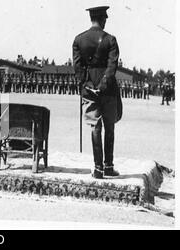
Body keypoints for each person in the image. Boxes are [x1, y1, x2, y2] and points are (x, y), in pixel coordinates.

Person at [73, 6, 122, 179]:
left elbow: (78, 68)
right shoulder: (111, 40)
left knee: (95, 127)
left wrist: (88, 85)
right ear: (103, 19)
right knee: (109, 127)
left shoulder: (79, 40)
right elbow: (112, 67)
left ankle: (98, 168)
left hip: (88, 90)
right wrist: (102, 85)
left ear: (91, 19)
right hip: (108, 90)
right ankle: (108, 166)